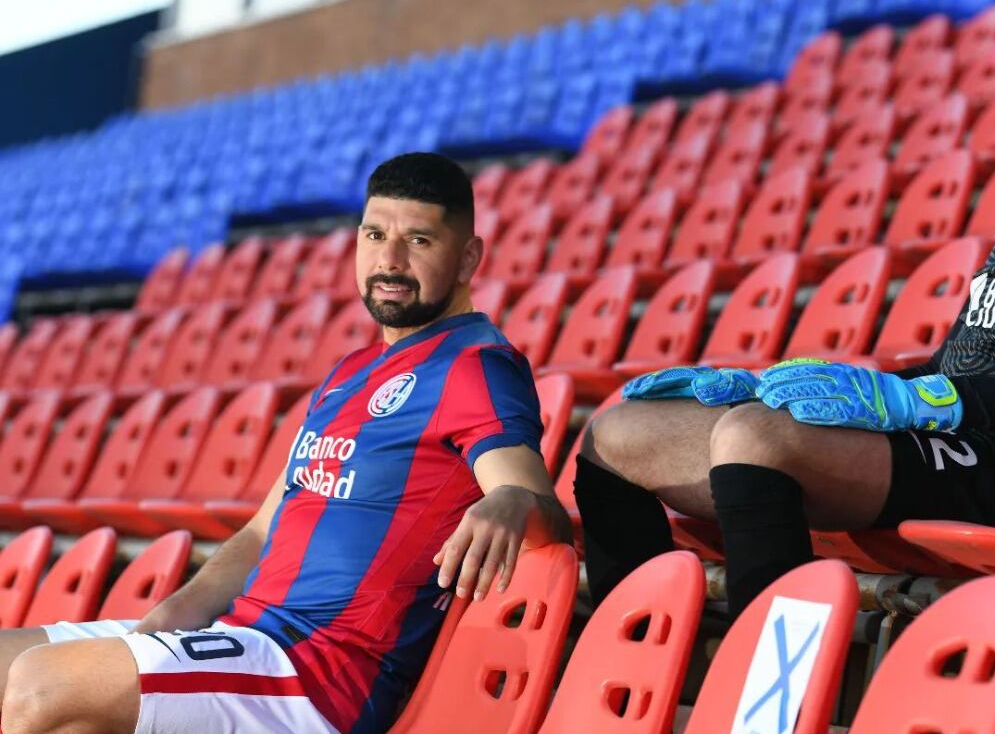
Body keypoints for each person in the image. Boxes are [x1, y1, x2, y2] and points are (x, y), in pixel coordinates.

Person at [574, 0, 995, 617]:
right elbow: (958, 367)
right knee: (620, 432)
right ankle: (634, 654)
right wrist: (795, 387)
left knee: (757, 438)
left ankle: (762, 687)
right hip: (956, 440)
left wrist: (927, 400)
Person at [0, 152, 572, 734]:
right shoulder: (349, 371)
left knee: (42, 682)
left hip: (316, 677)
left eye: (419, 240)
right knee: (11, 666)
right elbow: (259, 531)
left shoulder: (478, 365)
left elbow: (541, 510)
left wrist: (514, 501)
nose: (390, 260)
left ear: (469, 256)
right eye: (376, 235)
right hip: (241, 638)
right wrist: (170, 616)